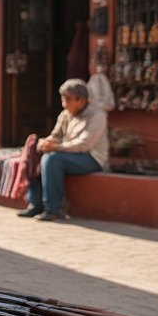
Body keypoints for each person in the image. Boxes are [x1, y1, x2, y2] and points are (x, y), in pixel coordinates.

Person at [18, 78, 108, 221]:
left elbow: (83, 144)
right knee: (34, 154)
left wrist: (56, 147)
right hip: (68, 154)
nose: (64, 104)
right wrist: (45, 143)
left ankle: (53, 209)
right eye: (63, 99)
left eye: (68, 100)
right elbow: (56, 135)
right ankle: (35, 204)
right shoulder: (66, 114)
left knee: (52, 159)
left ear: (81, 101)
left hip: (92, 158)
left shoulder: (97, 115)